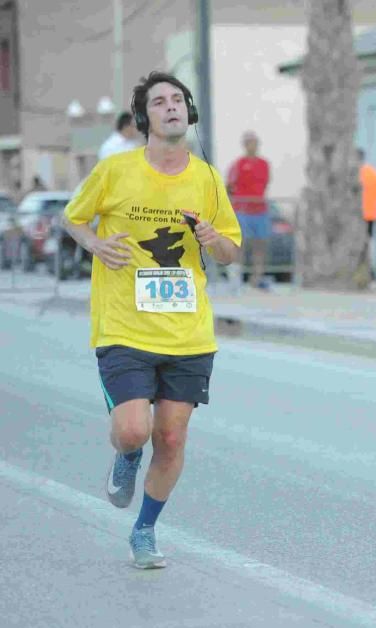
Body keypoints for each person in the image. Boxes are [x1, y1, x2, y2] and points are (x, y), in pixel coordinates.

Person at [62, 72, 242, 568]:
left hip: (188, 332)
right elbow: (73, 217)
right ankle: (125, 455)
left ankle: (144, 530)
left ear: (190, 112)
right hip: (124, 327)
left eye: (178, 100)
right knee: (135, 431)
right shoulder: (116, 171)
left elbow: (229, 251)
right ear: (144, 118)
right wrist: (96, 244)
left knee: (172, 436)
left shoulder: (206, 178)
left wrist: (211, 238)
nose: (171, 107)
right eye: (159, 102)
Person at [226, 130, 270, 290]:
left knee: (260, 245)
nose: (252, 145)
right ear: (244, 145)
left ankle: (257, 278)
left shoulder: (264, 164)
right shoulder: (237, 164)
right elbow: (229, 186)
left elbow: (265, 183)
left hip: (260, 210)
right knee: (240, 244)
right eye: (249, 142)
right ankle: (235, 278)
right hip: (242, 210)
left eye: (254, 142)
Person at [358, 148, 376, 281]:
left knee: (360, 244)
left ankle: (365, 271)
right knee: (369, 244)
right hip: (372, 215)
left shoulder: (356, 175)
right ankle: (370, 270)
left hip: (358, 216)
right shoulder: (374, 174)